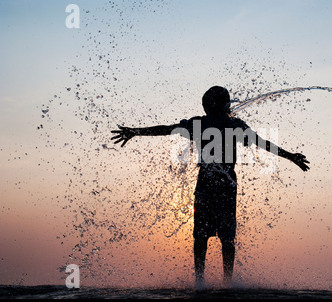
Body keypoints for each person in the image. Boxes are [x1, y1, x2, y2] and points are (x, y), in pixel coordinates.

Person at [111, 86, 310, 288]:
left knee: (200, 237)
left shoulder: (199, 123)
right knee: (227, 239)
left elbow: (166, 129)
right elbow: (262, 143)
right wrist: (290, 156)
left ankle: (199, 281)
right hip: (226, 185)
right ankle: (227, 282)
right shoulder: (235, 124)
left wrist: (135, 132)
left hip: (205, 183)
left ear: (207, 105)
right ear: (225, 104)